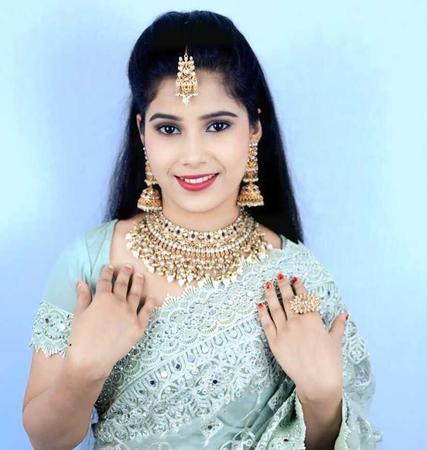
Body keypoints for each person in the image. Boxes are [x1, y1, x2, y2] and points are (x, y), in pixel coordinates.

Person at [22, 10, 382, 450]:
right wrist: (84, 370)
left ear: (254, 128)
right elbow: (46, 440)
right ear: (142, 132)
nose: (192, 155)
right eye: (169, 128)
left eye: (217, 125)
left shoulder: (295, 278)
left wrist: (322, 397)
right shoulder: (92, 262)